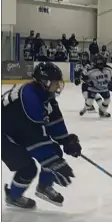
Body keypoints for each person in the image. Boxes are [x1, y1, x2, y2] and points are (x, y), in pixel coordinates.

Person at [1, 62, 81, 208]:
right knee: (28, 168)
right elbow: (34, 138)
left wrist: (66, 140)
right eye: (55, 83)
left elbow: (54, 120)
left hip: (16, 128)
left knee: (54, 151)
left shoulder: (43, 94)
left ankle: (44, 186)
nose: (58, 87)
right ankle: (13, 196)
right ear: (45, 82)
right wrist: (54, 163)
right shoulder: (29, 98)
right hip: (4, 135)